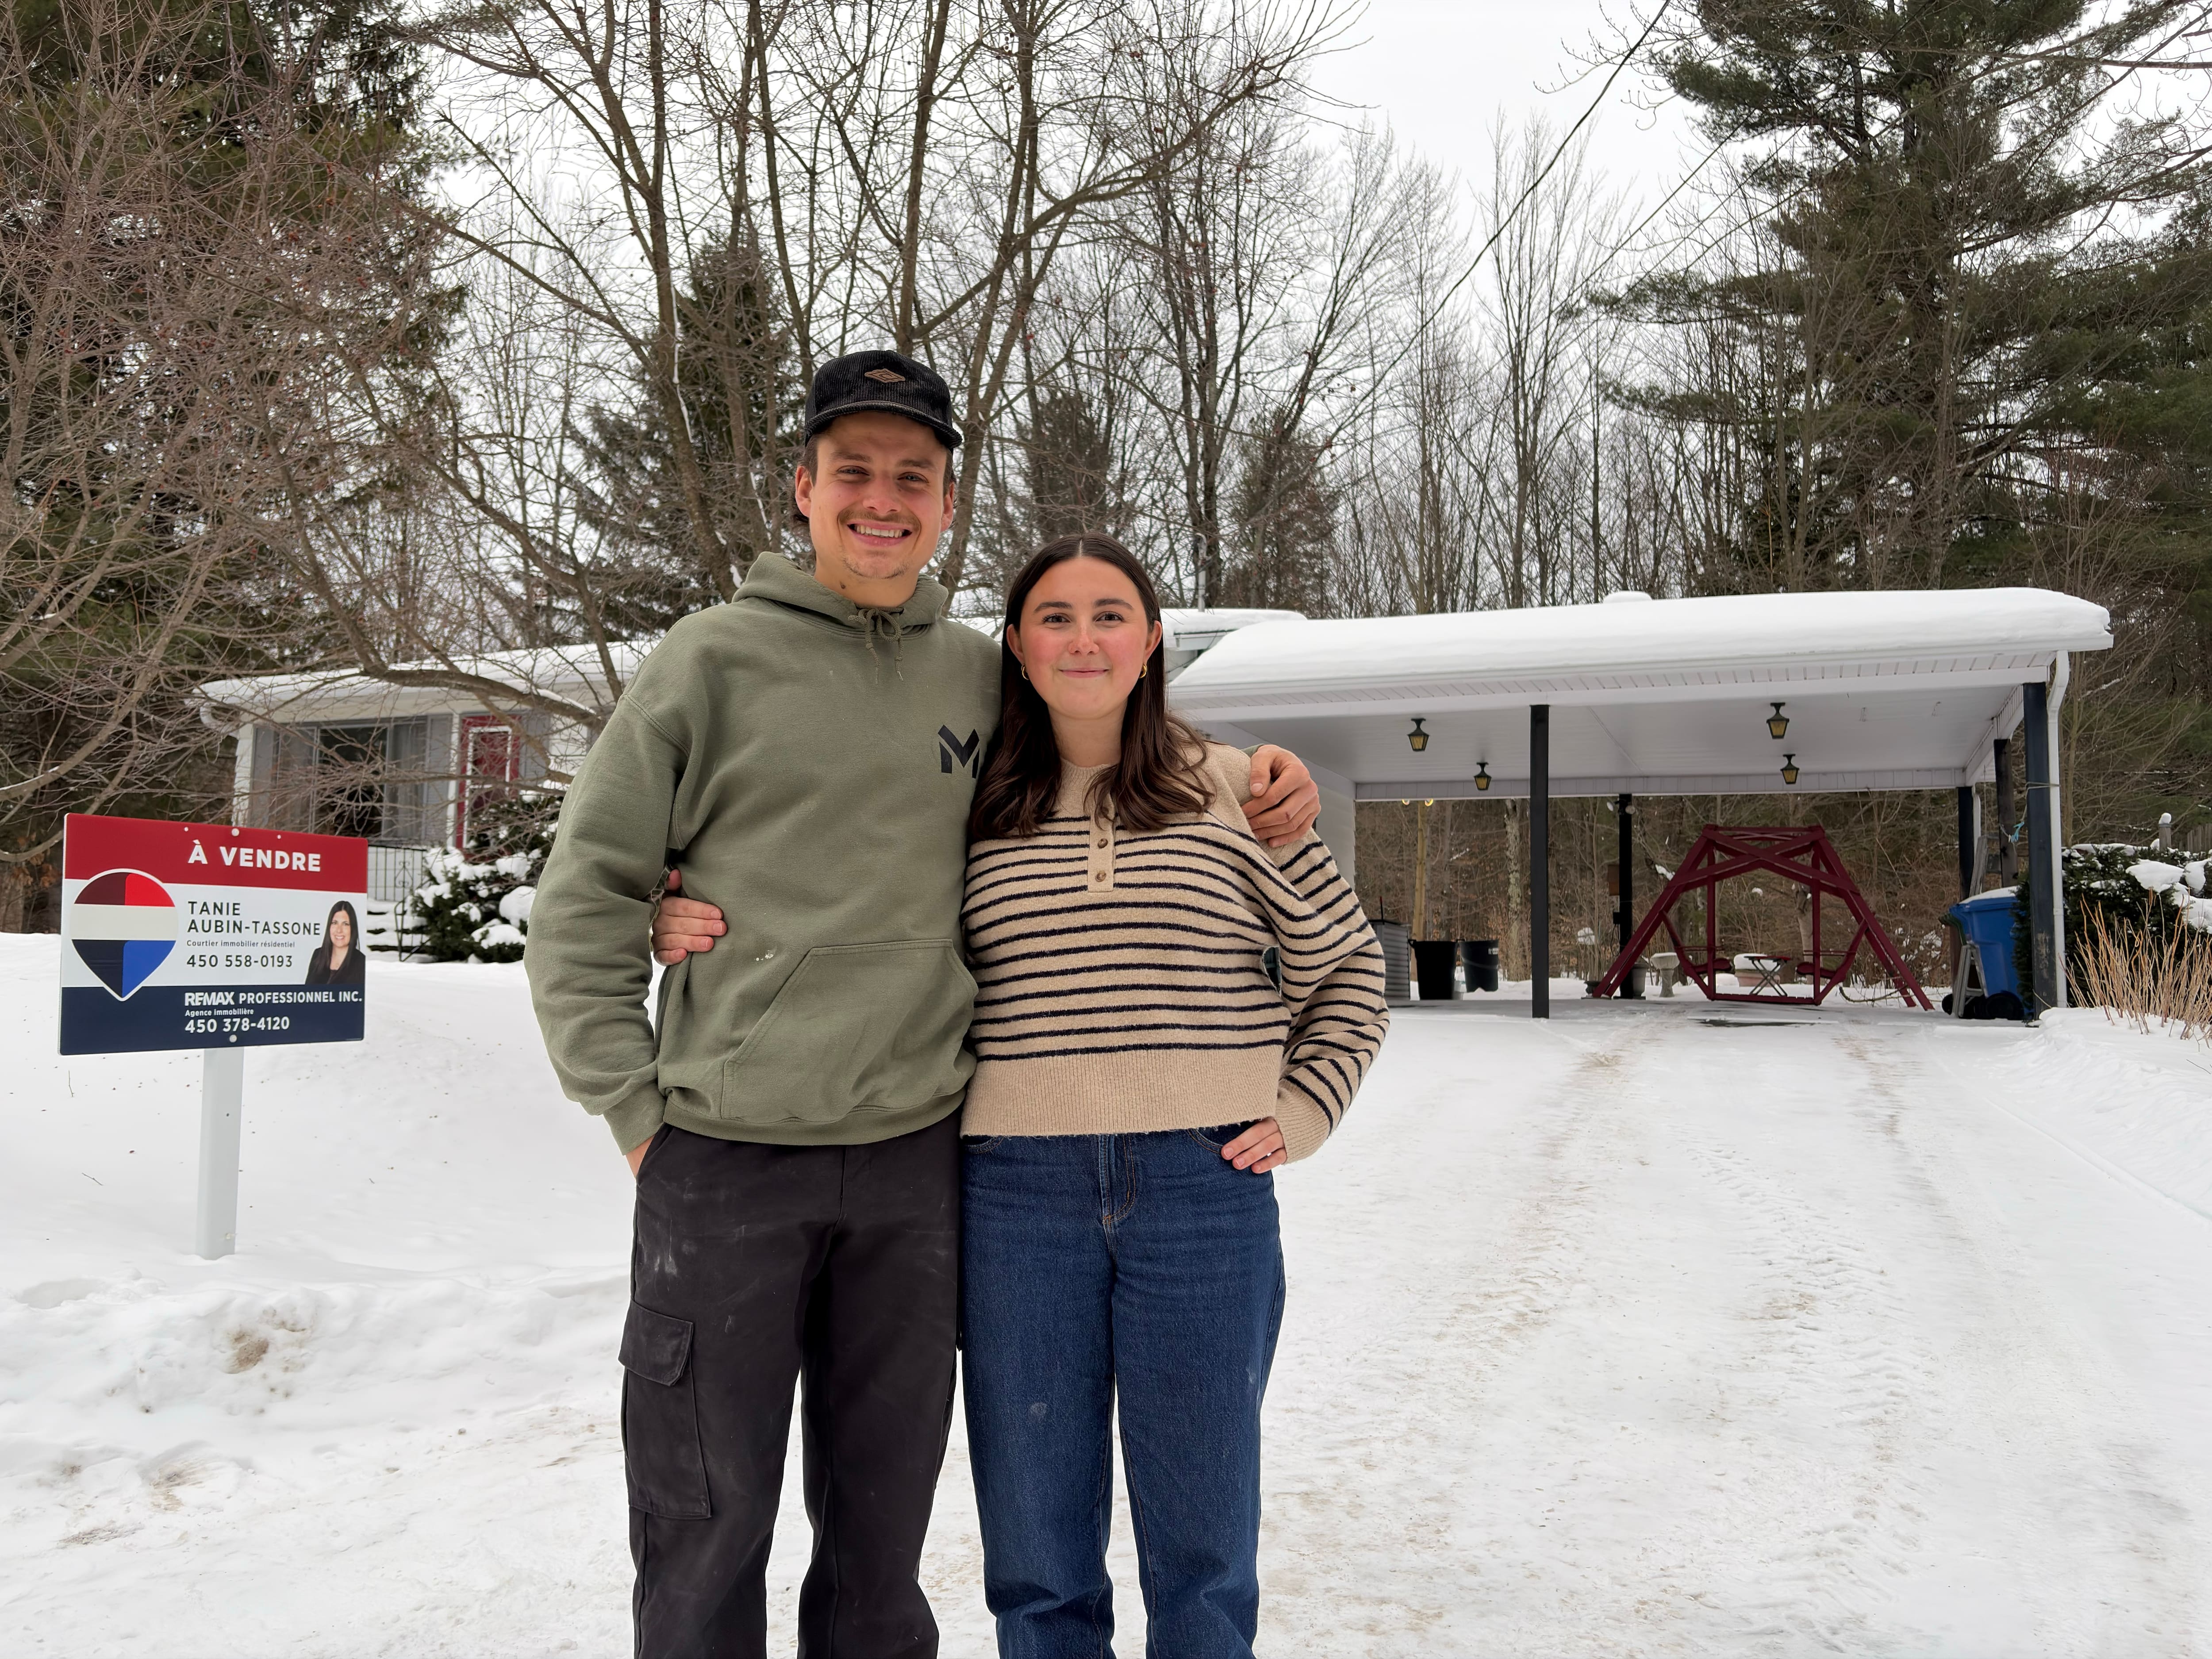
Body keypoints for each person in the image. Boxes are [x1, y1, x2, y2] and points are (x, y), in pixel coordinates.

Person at [525, 348, 1322, 1659]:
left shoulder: (973, 672)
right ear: (803, 487)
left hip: (914, 1162)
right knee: (705, 1519)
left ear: (948, 501)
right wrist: (632, 1105)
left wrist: (1248, 772)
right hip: (724, 1154)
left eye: (913, 475)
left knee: (879, 1542)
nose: (882, 498)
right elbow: (584, 897)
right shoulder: (709, 662)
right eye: (854, 472)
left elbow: (1103, 713)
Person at [303, 900, 365, 985]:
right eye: (335, 923)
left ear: (353, 929)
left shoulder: (361, 962)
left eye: (346, 924)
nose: (339, 930)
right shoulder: (318, 955)